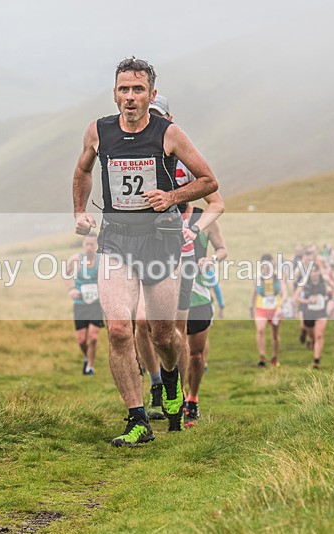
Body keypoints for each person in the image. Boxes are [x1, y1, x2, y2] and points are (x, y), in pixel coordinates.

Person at [72, 58, 219, 446]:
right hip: (116, 238)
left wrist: (171, 196)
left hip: (161, 240)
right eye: (124, 89)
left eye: (138, 90)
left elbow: (208, 180)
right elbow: (83, 171)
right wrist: (79, 211)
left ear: (151, 95)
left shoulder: (169, 133)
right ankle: (137, 419)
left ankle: (170, 380)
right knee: (119, 329)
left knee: (163, 333)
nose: (131, 97)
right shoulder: (98, 131)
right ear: (115, 93)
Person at [133, 94, 224, 422]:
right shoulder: (134, 156)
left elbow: (217, 201)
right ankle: (158, 383)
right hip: (143, 252)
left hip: (180, 259)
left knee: (176, 333)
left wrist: (194, 229)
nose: (151, 120)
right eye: (148, 114)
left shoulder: (184, 161)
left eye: (158, 115)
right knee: (141, 323)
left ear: (169, 120)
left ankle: (183, 397)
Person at [184, 213, 227, 426]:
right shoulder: (166, 213)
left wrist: (211, 259)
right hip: (172, 295)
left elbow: (222, 250)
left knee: (196, 355)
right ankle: (178, 398)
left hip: (199, 296)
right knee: (173, 352)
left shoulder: (205, 219)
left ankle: (192, 399)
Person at [64, 233, 104, 376]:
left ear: (96, 245)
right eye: (87, 244)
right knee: (82, 340)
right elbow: (66, 273)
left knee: (92, 338)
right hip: (80, 303)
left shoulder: (102, 261)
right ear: (83, 245)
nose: (89, 247)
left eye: (92, 244)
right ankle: (87, 357)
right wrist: (71, 289)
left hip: (96, 304)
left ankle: (90, 367)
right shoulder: (75, 260)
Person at [250, 254, 287, 367]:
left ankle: (274, 357)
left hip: (275, 309)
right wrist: (250, 306)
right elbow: (254, 292)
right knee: (260, 330)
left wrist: (280, 306)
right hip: (261, 308)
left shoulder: (278, 276)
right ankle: (262, 357)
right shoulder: (257, 277)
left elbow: (284, 292)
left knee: (275, 334)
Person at [294, 261, 332, 369]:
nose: (314, 274)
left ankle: (316, 362)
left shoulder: (324, 281)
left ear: (319, 272)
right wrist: (308, 301)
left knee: (319, 335)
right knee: (313, 336)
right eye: (312, 272)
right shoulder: (304, 283)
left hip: (321, 312)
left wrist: (329, 300)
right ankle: (306, 333)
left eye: (316, 271)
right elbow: (296, 298)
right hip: (309, 313)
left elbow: (333, 290)